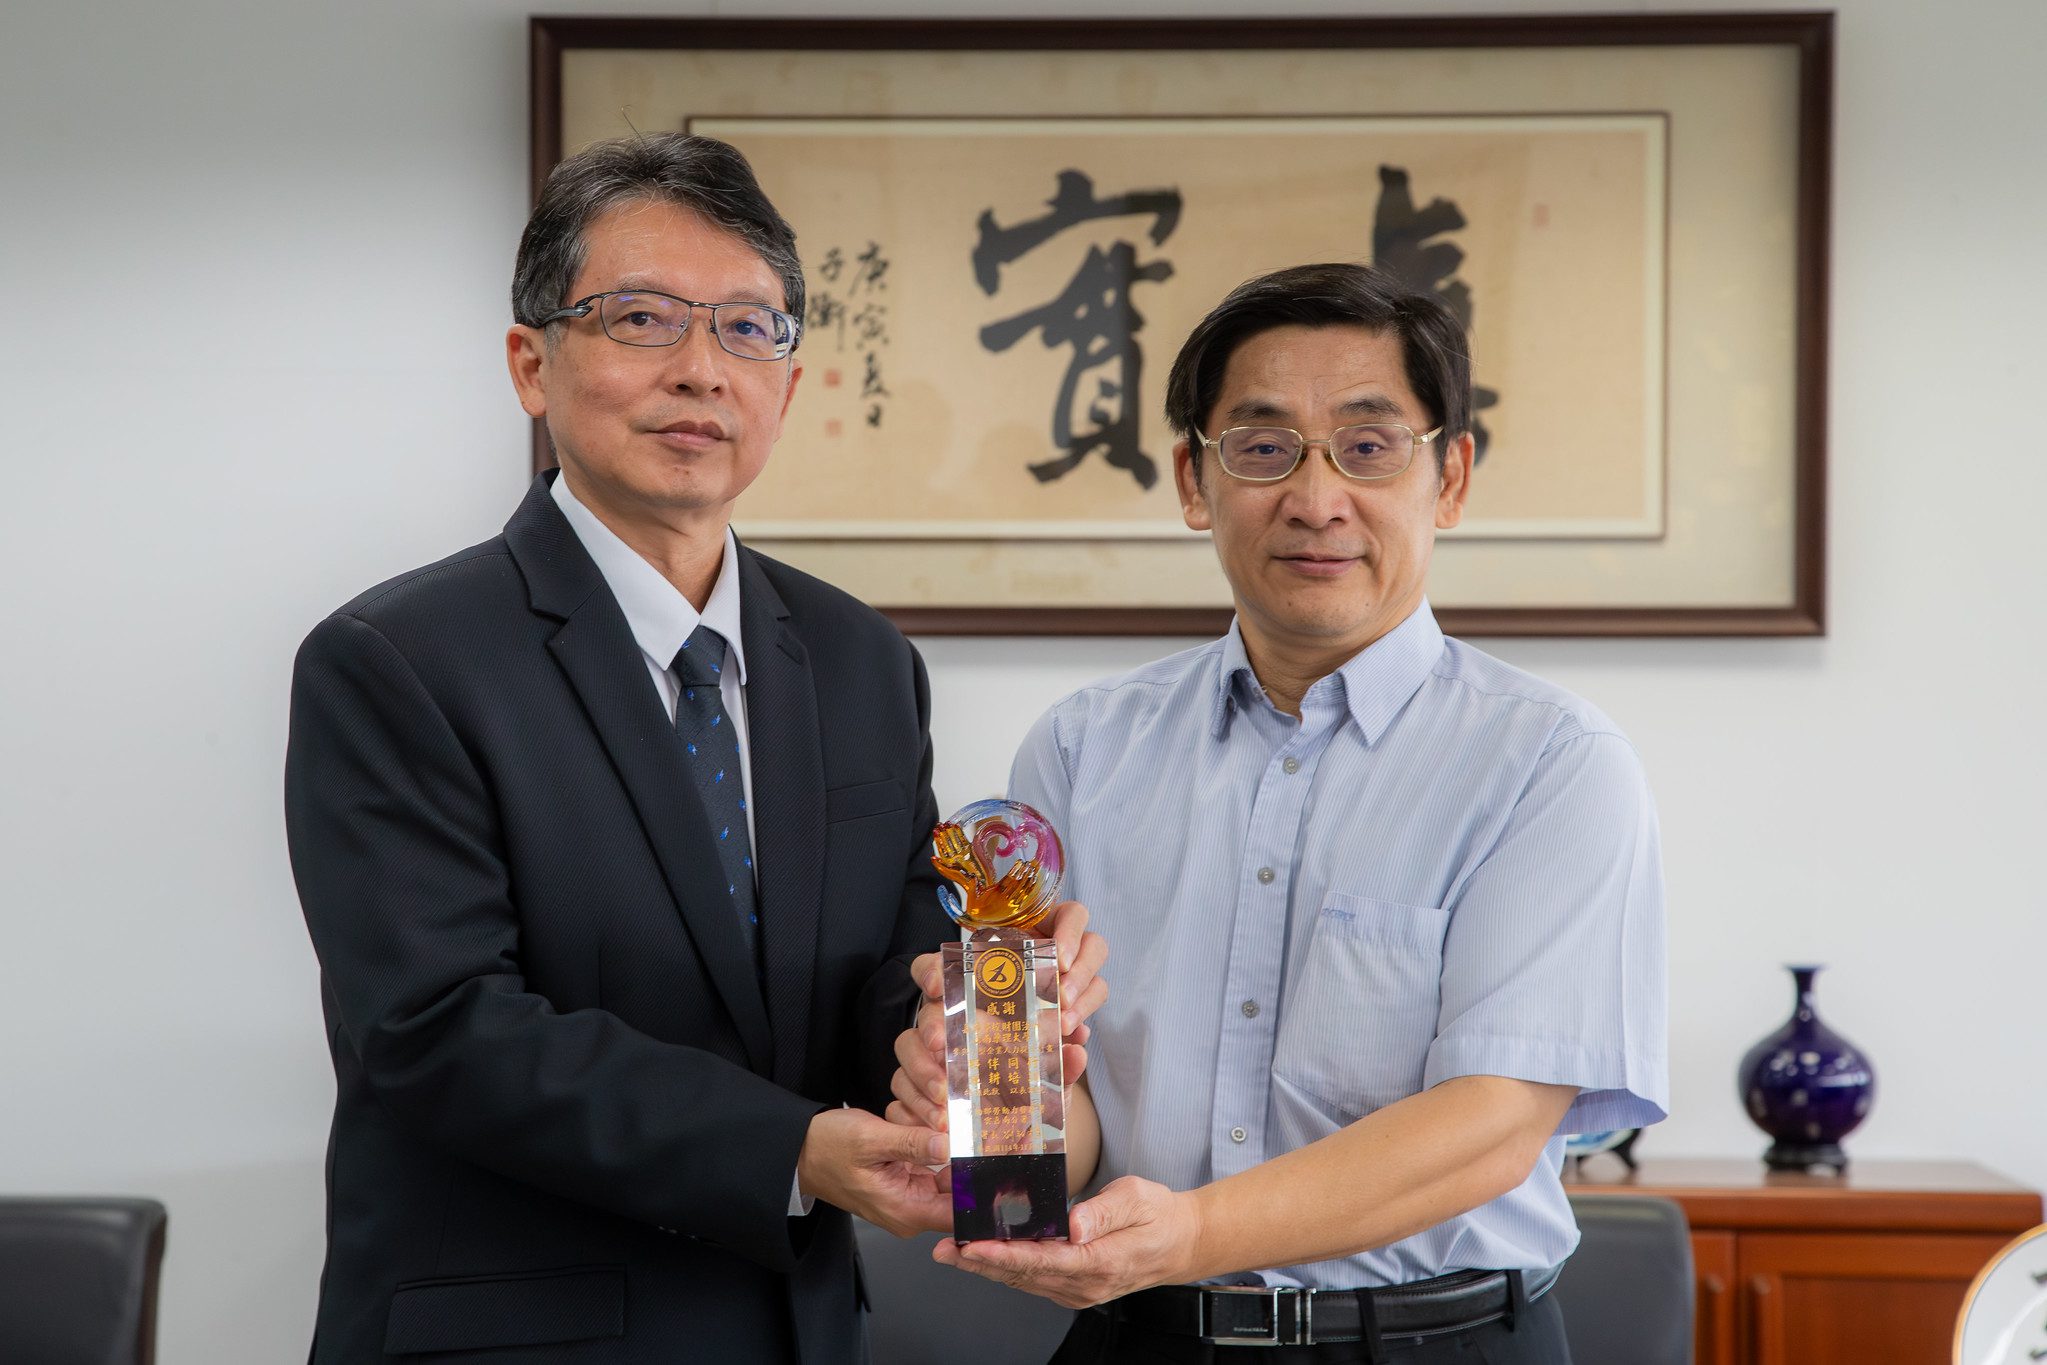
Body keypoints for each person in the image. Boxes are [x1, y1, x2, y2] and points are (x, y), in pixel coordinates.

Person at [284, 132, 1103, 1364]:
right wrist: (791, 1152)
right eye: (642, 319)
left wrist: (959, 1036)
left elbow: (884, 972)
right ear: (530, 364)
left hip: (798, 1331)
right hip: (520, 1337)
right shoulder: (397, 660)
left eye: (746, 329)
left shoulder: (862, 660)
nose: (701, 370)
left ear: (790, 383)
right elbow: (439, 1029)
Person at [891, 262, 1666, 1362]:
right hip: (1139, 1336)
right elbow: (1073, 1120)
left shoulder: (1551, 763)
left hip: (1429, 1342)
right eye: (1261, 449)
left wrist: (1194, 1233)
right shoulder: (1079, 748)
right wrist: (996, 1099)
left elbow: (1490, 1124)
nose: (1315, 498)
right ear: (1193, 481)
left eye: (1368, 446)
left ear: (1449, 477)